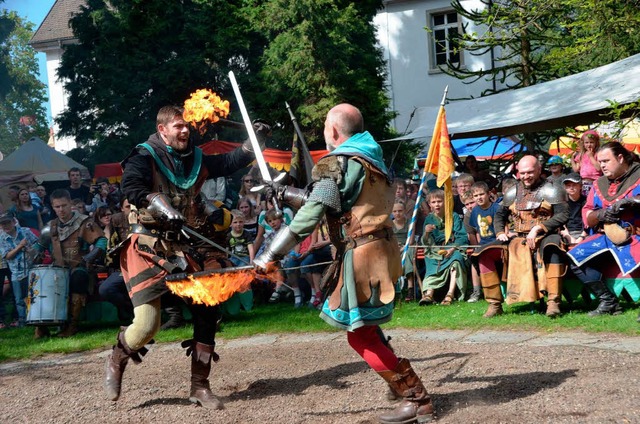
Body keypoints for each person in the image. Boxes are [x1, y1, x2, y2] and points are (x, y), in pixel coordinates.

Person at [254, 103, 434, 423]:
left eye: (325, 124)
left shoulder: (336, 161)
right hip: (382, 248)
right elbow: (338, 199)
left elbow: (312, 213)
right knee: (367, 325)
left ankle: (415, 398)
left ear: (334, 131)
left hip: (362, 256)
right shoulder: (369, 158)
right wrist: (288, 193)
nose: (325, 129)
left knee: (358, 335)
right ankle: (401, 385)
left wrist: (271, 253)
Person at [103, 105, 267, 408]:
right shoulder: (143, 156)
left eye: (186, 125)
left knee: (208, 306)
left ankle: (199, 386)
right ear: (162, 129)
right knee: (147, 325)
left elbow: (228, 162)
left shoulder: (194, 158)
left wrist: (251, 143)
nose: (184, 130)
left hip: (182, 248)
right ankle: (117, 356)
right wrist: (163, 207)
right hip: (148, 247)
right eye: (178, 126)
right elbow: (132, 188)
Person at [488, 155, 569, 318]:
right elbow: (499, 216)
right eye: (523, 173)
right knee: (484, 253)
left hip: (547, 235)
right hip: (517, 238)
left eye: (530, 172)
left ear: (539, 170)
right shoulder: (512, 191)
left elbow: (563, 214)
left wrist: (539, 227)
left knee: (553, 247)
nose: (526, 176)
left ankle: (553, 302)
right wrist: (499, 232)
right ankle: (494, 304)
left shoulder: (553, 188)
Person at [567, 142, 640, 321]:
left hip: (635, 235)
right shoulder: (599, 183)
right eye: (600, 162)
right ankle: (608, 302)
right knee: (576, 259)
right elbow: (587, 213)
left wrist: (632, 202)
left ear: (621, 158)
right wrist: (602, 213)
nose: (602, 165)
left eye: (606, 160)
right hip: (606, 234)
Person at [36, 189, 108, 338]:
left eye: (64, 205)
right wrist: (34, 260)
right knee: (39, 282)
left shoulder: (84, 222)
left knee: (78, 279)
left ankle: (72, 325)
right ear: (52, 207)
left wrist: (90, 256)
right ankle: (41, 326)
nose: (61, 210)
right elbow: (39, 247)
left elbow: (101, 240)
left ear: (70, 204)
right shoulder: (51, 226)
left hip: (79, 268)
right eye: (57, 207)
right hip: (57, 269)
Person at [418, 189, 469, 306]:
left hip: (452, 247)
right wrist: (426, 232)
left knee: (456, 261)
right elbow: (426, 242)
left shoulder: (454, 216)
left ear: (445, 203)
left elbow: (462, 236)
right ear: (430, 204)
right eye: (434, 202)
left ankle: (450, 294)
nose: (437, 204)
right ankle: (429, 294)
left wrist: (453, 248)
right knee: (431, 260)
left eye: (439, 201)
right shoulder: (429, 219)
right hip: (436, 250)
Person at [0, 212, 38, 327]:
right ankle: (23, 320)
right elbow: (7, 256)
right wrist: (20, 246)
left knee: (33, 295)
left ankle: (35, 318)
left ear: (13, 222)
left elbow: (38, 244)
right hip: (16, 272)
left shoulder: (25, 231)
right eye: (3, 224)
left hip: (31, 269)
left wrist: (31, 250)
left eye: (7, 223)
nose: (5, 226)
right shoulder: (1, 237)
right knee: (19, 299)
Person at [392, 199, 417, 301]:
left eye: (400, 211)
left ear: (405, 211)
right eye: (395, 211)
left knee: (408, 255)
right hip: (394, 247)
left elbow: (411, 241)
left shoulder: (410, 223)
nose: (398, 213)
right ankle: (393, 288)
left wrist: (402, 249)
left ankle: (410, 288)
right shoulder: (390, 224)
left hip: (407, 246)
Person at [559, 173, 588, 246]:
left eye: (574, 185)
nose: (571, 188)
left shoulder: (587, 201)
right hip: (566, 234)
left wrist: (581, 237)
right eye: (568, 186)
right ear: (565, 188)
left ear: (580, 186)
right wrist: (568, 237)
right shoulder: (561, 202)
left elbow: (589, 223)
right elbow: (560, 223)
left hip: (584, 233)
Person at [571, 130, 602, 195]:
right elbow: (576, 169)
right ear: (583, 143)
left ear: (596, 143)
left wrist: (591, 156)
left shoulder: (598, 154)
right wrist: (572, 160)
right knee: (586, 200)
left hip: (596, 181)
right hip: (585, 182)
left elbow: (599, 168)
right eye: (586, 142)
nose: (589, 145)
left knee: (595, 199)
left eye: (591, 142)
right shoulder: (581, 155)